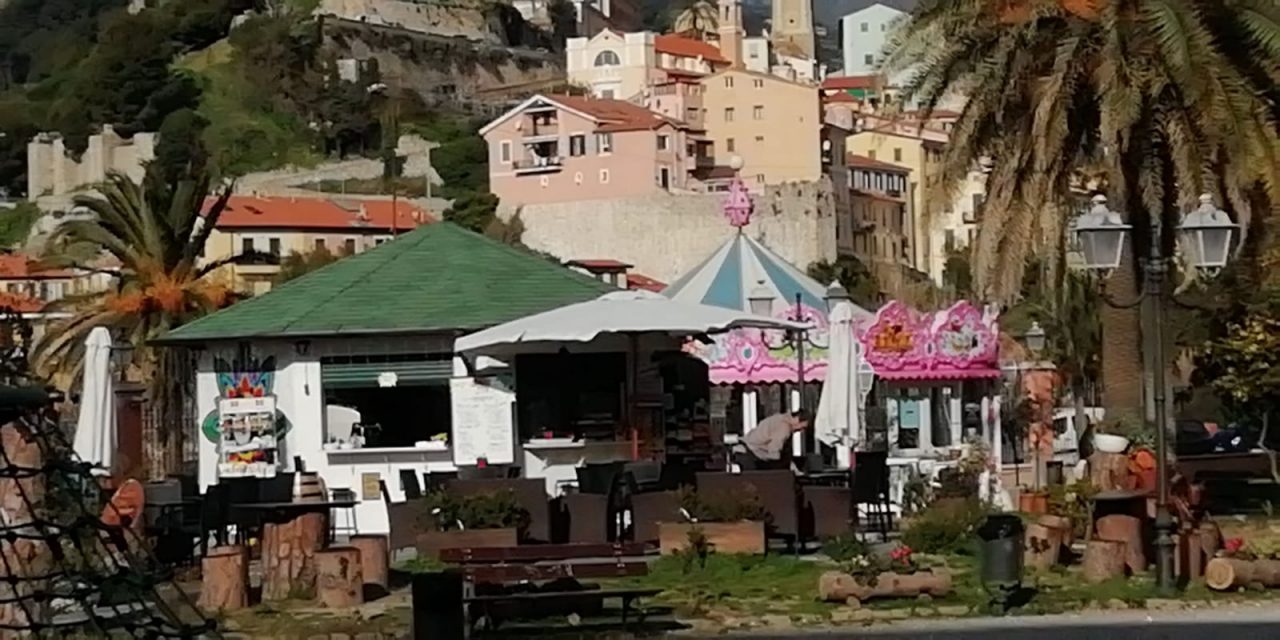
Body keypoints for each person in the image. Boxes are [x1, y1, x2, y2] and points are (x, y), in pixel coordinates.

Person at [741, 409, 811, 471]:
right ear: (797, 419)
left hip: (750, 444)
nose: (801, 431)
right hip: (755, 450)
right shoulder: (784, 428)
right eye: (802, 427)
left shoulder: (780, 418)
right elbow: (774, 450)